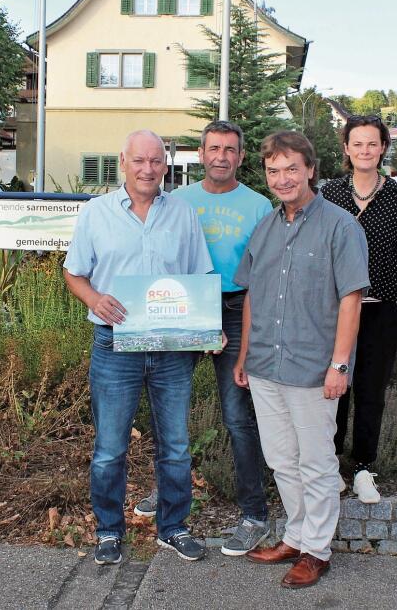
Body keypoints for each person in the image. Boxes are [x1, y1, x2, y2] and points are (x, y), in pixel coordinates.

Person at [63, 129, 214, 566]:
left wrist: (207, 328)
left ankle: (174, 527)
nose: (148, 169)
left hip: (171, 348)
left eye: (155, 161)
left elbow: (200, 277)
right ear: (123, 162)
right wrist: (94, 299)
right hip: (115, 345)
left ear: (165, 164)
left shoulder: (183, 215)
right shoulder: (96, 214)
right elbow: (74, 273)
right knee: (110, 447)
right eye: (139, 161)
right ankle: (109, 530)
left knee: (177, 446)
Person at [233, 131, 370, 588]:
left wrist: (340, 364)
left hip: (313, 367)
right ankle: (295, 535)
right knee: (281, 460)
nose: (282, 178)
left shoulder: (341, 226)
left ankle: (317, 549)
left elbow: (351, 300)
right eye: (274, 170)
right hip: (266, 365)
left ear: (311, 169)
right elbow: (253, 292)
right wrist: (244, 352)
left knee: (315, 463)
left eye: (291, 168)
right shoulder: (266, 226)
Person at [133, 121, 274, 556]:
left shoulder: (258, 205)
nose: (221, 157)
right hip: (185, 305)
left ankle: (254, 514)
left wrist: (250, 336)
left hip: (233, 310)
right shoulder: (176, 200)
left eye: (230, 150)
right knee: (169, 407)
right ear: (201, 152)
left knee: (236, 416)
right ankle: (170, 491)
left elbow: (262, 273)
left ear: (241, 157)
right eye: (214, 148)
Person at [321, 115, 397, 503]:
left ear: (382, 148)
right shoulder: (329, 194)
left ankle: (363, 467)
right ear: (346, 149)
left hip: (380, 310)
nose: (364, 150)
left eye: (372, 144)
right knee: (335, 388)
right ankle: (330, 465)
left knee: (371, 390)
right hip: (337, 311)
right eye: (357, 144)